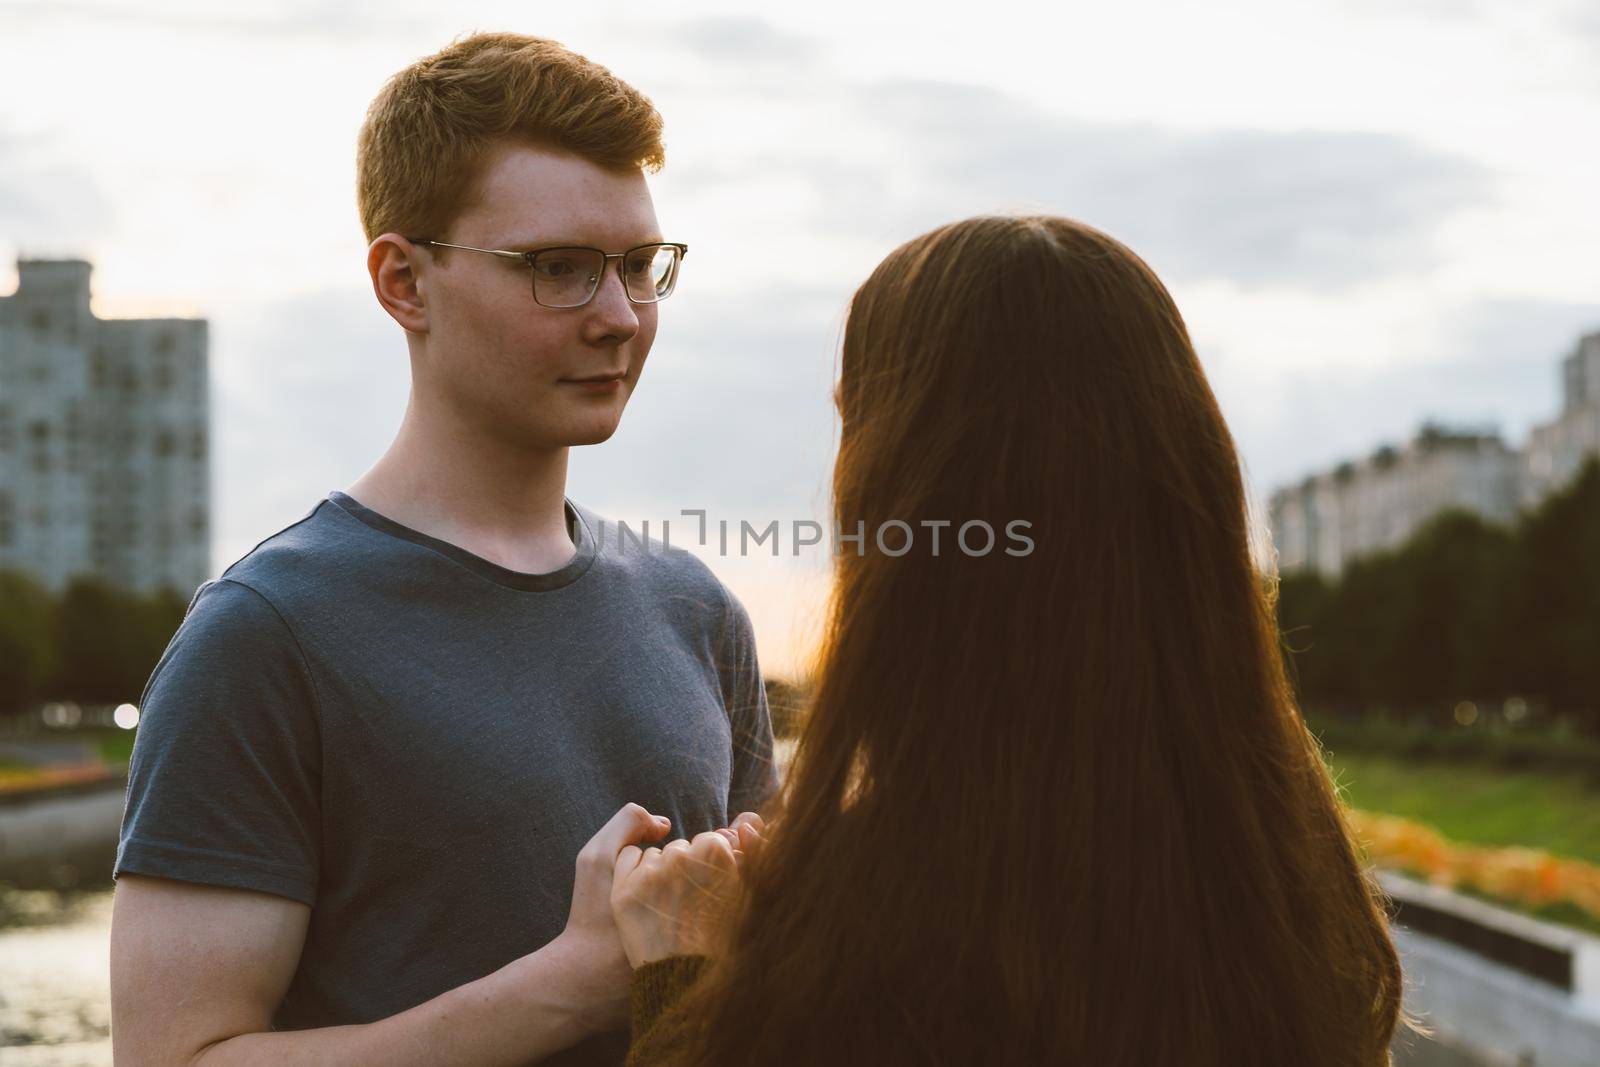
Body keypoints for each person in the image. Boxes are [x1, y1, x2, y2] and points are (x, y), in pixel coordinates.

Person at [109, 32, 777, 1066]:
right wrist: (571, 983)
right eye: (558, 268)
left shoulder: (697, 611)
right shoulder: (264, 633)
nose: (619, 316)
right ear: (403, 281)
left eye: (640, 267)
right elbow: (173, 1058)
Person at [599, 215, 1407, 1066]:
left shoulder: (873, 939)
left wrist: (681, 974)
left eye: (855, 422)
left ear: (900, 482)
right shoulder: (1297, 889)